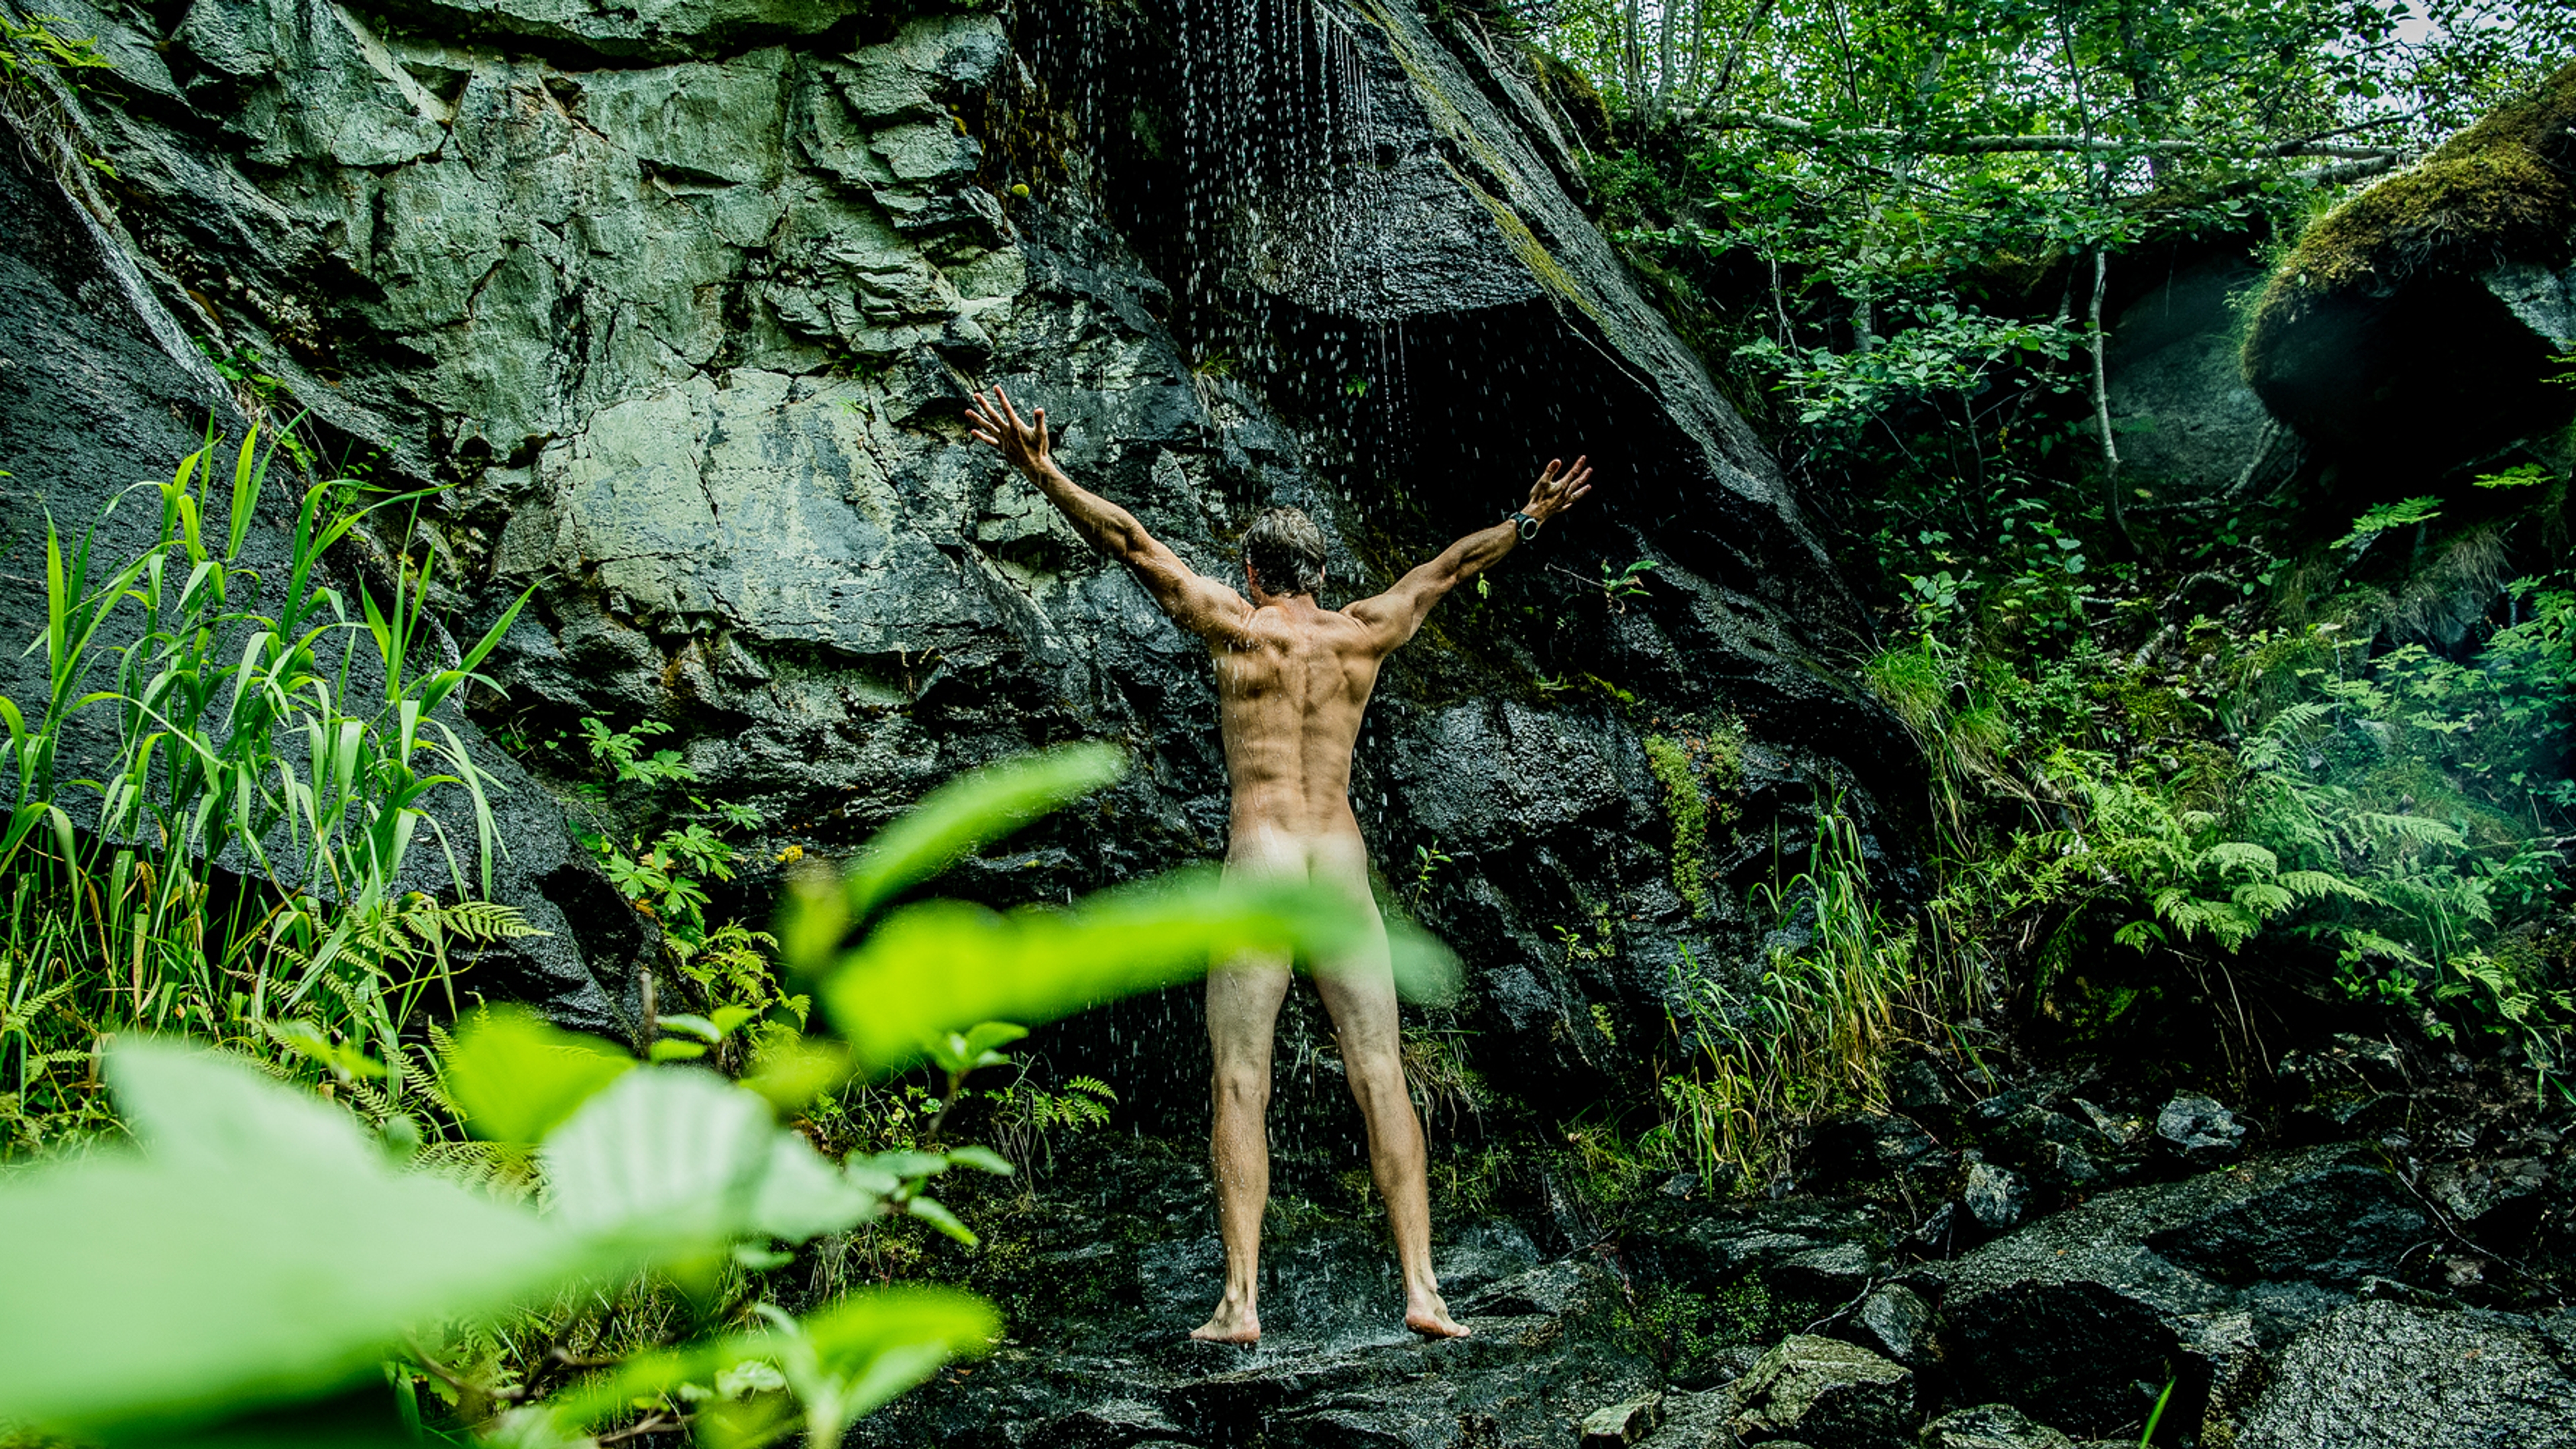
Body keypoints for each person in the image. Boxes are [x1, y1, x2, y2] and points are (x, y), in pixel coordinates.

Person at [965, 385, 1592, 1344]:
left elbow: (1132, 543)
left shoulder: (1237, 626)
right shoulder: (1364, 630)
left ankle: (1240, 1302)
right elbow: (1452, 568)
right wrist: (1528, 517)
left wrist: (1043, 470)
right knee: (1381, 1071)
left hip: (1262, 857)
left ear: (1254, 572)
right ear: (1321, 571)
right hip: (1337, 862)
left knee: (1240, 1080)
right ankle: (1424, 1291)